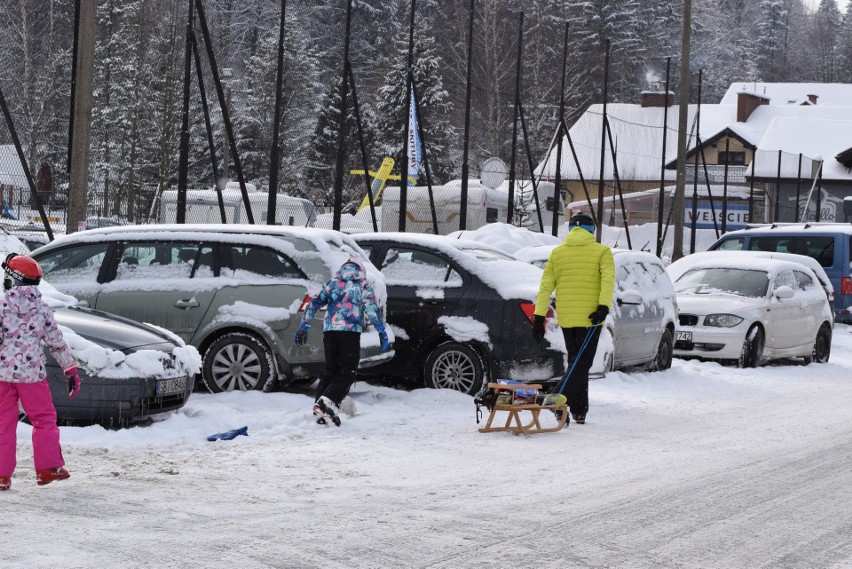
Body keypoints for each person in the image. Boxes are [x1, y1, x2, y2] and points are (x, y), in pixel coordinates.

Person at [0, 254, 81, 491]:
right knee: (44, 420)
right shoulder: (42, 310)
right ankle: (48, 469)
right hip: (32, 377)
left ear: (12, 280)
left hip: (3, 376)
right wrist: (70, 368)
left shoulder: (2, 307)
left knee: (3, 424)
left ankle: (1, 476)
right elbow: (56, 342)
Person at [532, 212, 615, 425]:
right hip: (592, 318)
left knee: (576, 362)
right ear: (592, 231)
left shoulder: (558, 253)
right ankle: (555, 397)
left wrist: (538, 317)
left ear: (570, 230)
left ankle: (578, 410)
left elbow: (545, 286)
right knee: (582, 363)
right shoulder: (602, 252)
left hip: (568, 317)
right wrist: (603, 306)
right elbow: (608, 280)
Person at [294, 257, 388, 426]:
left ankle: (321, 411)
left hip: (330, 332)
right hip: (349, 332)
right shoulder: (362, 284)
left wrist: (304, 327)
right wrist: (380, 330)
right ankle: (327, 403)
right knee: (348, 371)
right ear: (361, 270)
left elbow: (313, 304)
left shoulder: (332, 283)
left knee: (330, 371)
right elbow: (371, 308)